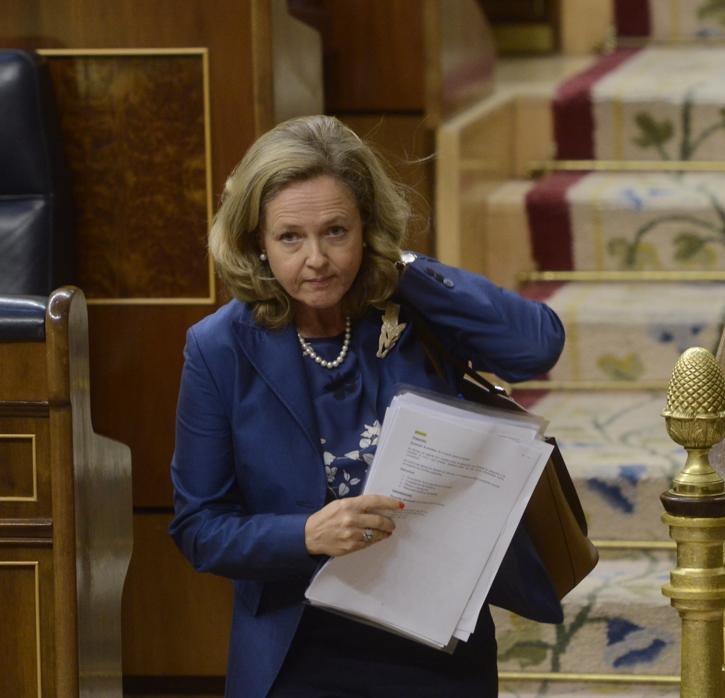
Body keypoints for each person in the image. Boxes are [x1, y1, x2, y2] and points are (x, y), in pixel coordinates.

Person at [169, 115, 565, 698]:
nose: (316, 260)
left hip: (435, 634)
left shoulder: (413, 309)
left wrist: (403, 267)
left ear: (366, 227)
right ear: (257, 241)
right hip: (299, 645)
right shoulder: (218, 349)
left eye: (336, 231)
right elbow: (199, 528)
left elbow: (536, 348)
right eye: (289, 237)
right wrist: (305, 533)